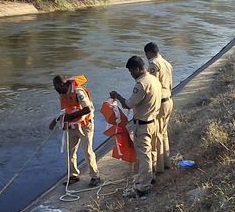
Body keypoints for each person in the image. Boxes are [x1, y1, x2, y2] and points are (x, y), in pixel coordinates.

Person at [110, 56, 163, 197]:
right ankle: (150, 177)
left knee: (144, 155)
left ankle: (144, 186)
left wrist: (118, 96)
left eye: (131, 71)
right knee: (151, 152)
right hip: (153, 122)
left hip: (143, 125)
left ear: (138, 69)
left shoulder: (141, 84)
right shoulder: (154, 80)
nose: (131, 74)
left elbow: (128, 103)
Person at [49, 75, 100, 187]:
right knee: (70, 152)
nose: (55, 89)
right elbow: (64, 111)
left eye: (55, 86)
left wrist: (70, 116)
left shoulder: (78, 92)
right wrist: (56, 121)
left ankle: (95, 176)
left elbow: (88, 109)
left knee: (87, 151)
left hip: (85, 125)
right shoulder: (62, 95)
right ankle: (73, 175)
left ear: (61, 85)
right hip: (72, 126)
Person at [144, 42, 174, 173]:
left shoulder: (153, 65)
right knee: (164, 132)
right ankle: (166, 161)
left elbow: (153, 86)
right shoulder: (167, 63)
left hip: (160, 102)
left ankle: (159, 167)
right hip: (168, 99)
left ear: (149, 52)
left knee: (157, 135)